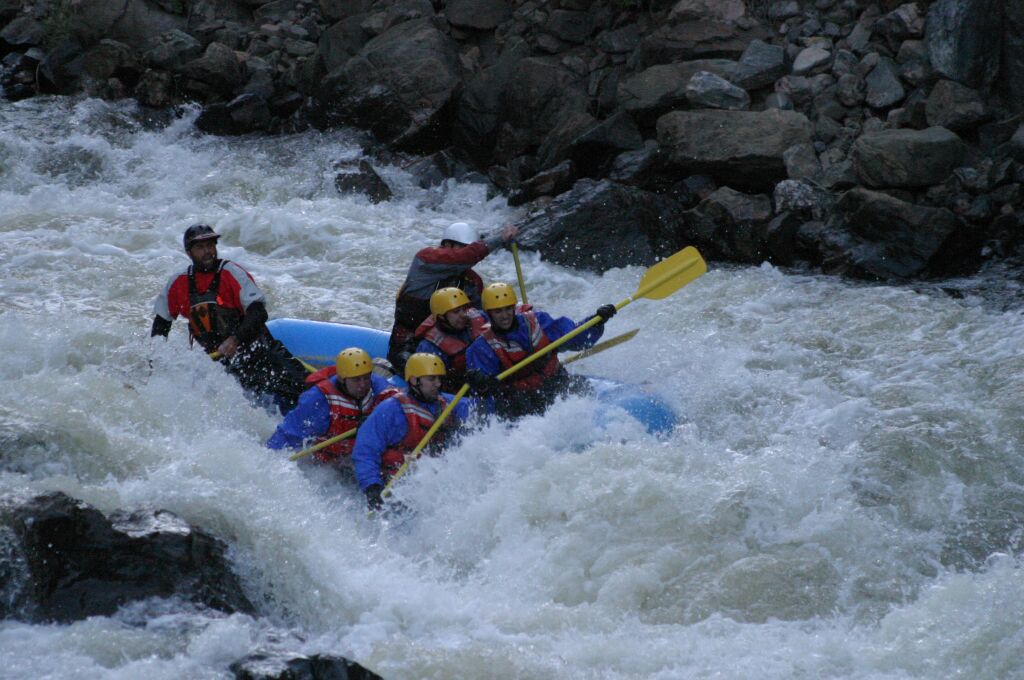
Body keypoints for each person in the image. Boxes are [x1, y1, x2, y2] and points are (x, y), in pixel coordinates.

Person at [151, 224, 308, 414]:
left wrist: (235, 339)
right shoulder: (178, 282)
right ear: (188, 253)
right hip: (217, 364)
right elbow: (161, 325)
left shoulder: (231, 272)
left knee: (305, 390)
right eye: (200, 248)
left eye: (210, 245)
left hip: (257, 353)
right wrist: (154, 366)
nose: (207, 252)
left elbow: (258, 312)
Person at [464, 282, 617, 419]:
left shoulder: (538, 322)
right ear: (489, 313)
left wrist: (596, 321)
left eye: (507, 309)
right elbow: (483, 391)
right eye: (498, 312)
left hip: (554, 383)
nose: (505, 316)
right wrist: (481, 383)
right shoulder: (481, 348)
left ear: (513, 308)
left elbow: (574, 337)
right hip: (518, 401)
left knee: (585, 392)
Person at [387, 221, 517, 376]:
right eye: (464, 248)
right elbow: (464, 257)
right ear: (447, 245)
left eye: (469, 248)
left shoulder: (472, 282)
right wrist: (499, 239)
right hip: (408, 347)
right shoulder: (425, 261)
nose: (467, 255)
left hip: (448, 351)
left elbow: (481, 323)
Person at [352, 353, 472, 510]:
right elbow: (365, 451)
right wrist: (372, 487)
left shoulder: (449, 403)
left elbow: (477, 410)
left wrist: (484, 390)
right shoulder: (391, 409)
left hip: (431, 480)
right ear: (415, 381)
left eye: (439, 379)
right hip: (395, 481)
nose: (438, 384)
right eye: (431, 379)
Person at [266, 348, 398, 466]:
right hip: (329, 458)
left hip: (360, 451)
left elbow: (400, 404)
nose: (363, 385)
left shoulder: (376, 385)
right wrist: (270, 460)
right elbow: (288, 434)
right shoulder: (318, 401)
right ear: (341, 379)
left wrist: (377, 417)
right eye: (356, 380)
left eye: (366, 378)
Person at [412, 287, 490, 393]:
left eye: (464, 309)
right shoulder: (429, 347)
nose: (463, 314)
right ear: (442, 317)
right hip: (460, 391)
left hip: (491, 379)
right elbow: (431, 385)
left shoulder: (479, 317)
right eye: (456, 311)